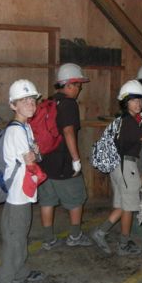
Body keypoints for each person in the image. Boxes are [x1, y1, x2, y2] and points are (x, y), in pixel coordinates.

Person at [0, 79, 46, 283]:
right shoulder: (16, 131)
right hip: (18, 195)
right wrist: (33, 155)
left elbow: (34, 156)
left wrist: (34, 154)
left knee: (20, 236)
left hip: (24, 193)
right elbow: (31, 160)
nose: (30, 104)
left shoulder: (26, 127)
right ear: (13, 105)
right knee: (14, 241)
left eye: (32, 99)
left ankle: (21, 272)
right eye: (23, 101)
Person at [91, 81, 142, 256]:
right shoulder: (130, 122)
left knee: (122, 205)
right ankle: (123, 244)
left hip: (117, 167)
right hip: (126, 167)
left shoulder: (119, 121)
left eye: (139, 100)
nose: (138, 103)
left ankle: (100, 232)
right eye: (133, 100)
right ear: (125, 102)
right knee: (129, 207)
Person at [37, 63, 92, 250]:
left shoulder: (49, 101)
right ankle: (75, 236)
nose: (80, 89)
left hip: (45, 162)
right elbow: (68, 131)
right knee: (76, 199)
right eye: (78, 85)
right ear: (69, 85)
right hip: (63, 162)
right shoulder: (69, 104)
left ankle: (48, 239)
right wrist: (76, 160)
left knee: (47, 201)